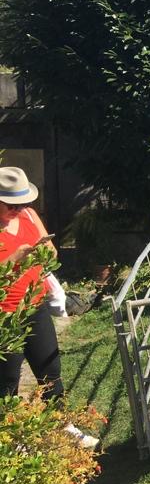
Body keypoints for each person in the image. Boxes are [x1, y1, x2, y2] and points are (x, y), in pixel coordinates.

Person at [0, 167, 97, 448]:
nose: (19, 208)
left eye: (22, 202)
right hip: (5, 315)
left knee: (50, 368)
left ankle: (61, 425)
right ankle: (12, 440)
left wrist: (44, 250)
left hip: (34, 305)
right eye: (11, 205)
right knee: (7, 380)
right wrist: (14, 259)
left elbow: (51, 251)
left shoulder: (28, 215)